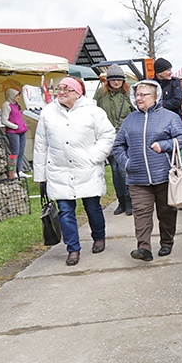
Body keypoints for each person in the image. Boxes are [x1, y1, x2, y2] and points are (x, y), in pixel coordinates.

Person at [33, 76, 116, 266]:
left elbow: (108, 135)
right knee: (65, 211)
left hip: (86, 168)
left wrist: (95, 156)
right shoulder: (48, 113)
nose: (61, 92)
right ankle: (72, 249)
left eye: (67, 89)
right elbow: (40, 145)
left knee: (92, 207)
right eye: (59, 88)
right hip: (59, 170)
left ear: (78, 93)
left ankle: (99, 236)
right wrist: (40, 175)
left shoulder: (93, 111)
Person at [112, 80, 182, 261]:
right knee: (141, 214)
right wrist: (127, 163)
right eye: (137, 94)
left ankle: (166, 242)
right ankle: (144, 248)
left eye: (143, 94)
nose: (139, 98)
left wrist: (164, 145)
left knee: (166, 213)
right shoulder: (130, 120)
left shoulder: (169, 117)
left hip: (164, 176)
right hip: (137, 178)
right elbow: (118, 146)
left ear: (155, 96)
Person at [94, 65, 135, 215]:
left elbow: (136, 112)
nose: (116, 82)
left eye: (119, 79)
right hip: (107, 136)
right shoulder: (100, 94)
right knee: (115, 171)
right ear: (108, 81)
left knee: (123, 169)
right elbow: (94, 113)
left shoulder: (129, 93)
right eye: (113, 79)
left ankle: (129, 200)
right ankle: (121, 201)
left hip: (125, 137)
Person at [0, 88, 30, 179]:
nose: (18, 97)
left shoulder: (16, 105)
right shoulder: (6, 105)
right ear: (11, 96)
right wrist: (15, 126)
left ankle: (20, 171)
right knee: (14, 153)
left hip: (21, 131)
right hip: (13, 132)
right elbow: (4, 120)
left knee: (21, 152)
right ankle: (12, 173)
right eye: (16, 95)